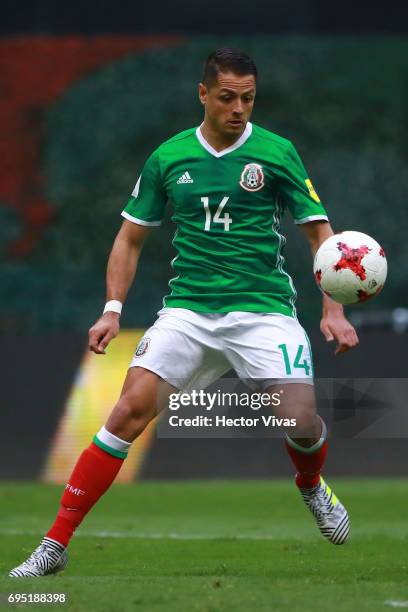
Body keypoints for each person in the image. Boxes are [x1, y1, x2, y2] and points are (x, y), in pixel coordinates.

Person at [9, 47, 359, 578]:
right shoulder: (169, 158)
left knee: (301, 420)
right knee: (127, 411)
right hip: (189, 311)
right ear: (203, 94)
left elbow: (319, 235)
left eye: (248, 98)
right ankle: (53, 545)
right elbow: (128, 240)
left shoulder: (277, 152)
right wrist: (111, 309)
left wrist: (333, 309)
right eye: (227, 97)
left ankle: (310, 485)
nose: (239, 108)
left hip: (262, 309)